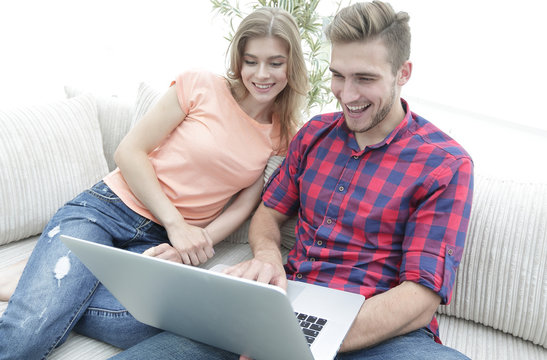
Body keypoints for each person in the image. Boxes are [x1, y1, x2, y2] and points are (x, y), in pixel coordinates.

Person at [110, 1, 474, 359]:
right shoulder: (314, 135)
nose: (346, 95)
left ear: (403, 73)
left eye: (365, 78)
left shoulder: (444, 164)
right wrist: (268, 258)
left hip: (378, 333)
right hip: (287, 308)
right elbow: (268, 214)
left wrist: (298, 345)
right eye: (338, 75)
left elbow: (421, 298)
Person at [0, 7, 308, 359]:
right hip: (104, 210)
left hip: (158, 243)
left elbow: (244, 205)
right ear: (238, 60)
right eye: (251, 61)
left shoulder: (282, 135)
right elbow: (129, 151)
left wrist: (191, 243)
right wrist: (178, 224)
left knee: (162, 322)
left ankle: (47, 284)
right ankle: (46, 293)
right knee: (29, 335)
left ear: (291, 65)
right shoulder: (200, 85)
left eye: (275, 62)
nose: (261, 74)